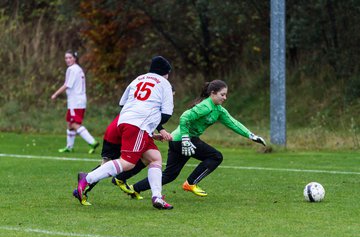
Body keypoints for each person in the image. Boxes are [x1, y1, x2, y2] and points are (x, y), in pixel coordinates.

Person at [113, 79, 266, 198]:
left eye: (226, 94)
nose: (225, 97)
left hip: (177, 140)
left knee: (169, 175)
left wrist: (251, 135)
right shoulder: (206, 106)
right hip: (183, 140)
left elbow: (233, 123)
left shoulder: (218, 110)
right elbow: (185, 117)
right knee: (216, 156)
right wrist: (186, 138)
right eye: (222, 94)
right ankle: (191, 183)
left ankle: (135, 189)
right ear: (213, 93)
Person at [73, 56, 175, 209]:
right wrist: (152, 123)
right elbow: (166, 114)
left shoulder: (138, 79)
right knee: (127, 163)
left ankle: (157, 197)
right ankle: (87, 178)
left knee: (155, 158)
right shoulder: (165, 83)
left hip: (125, 121)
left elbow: (122, 103)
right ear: (165, 72)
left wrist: (148, 129)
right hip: (139, 125)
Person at [51, 50, 99, 154]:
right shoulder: (78, 69)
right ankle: (69, 147)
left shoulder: (72, 69)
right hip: (79, 100)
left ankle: (92, 142)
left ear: (75, 58)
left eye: (70, 57)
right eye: (66, 58)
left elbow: (67, 85)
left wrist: (55, 94)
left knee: (74, 124)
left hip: (75, 101)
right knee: (69, 123)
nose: (68, 60)